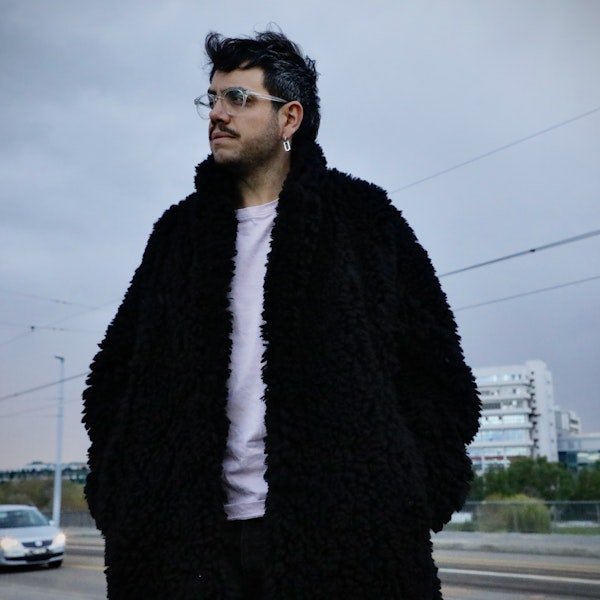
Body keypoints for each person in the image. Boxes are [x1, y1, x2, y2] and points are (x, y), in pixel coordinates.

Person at [82, 29, 481, 600]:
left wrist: (409, 495)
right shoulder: (177, 235)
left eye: (238, 98)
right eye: (212, 98)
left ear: (289, 117)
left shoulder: (364, 220)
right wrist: (123, 496)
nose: (217, 114)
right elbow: (113, 378)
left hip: (346, 539)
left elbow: (438, 372)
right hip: (184, 543)